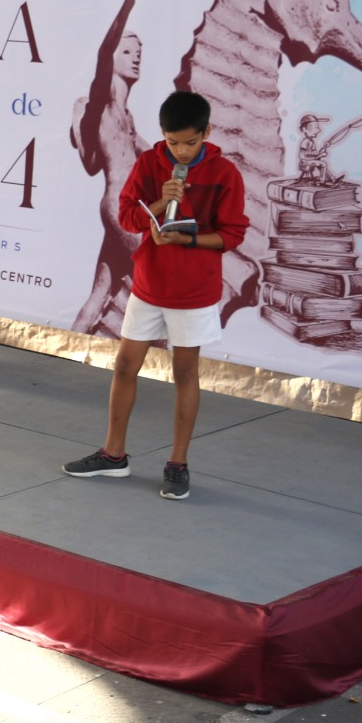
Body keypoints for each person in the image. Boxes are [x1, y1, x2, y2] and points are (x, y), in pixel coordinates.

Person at [62, 91, 249, 500]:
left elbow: (233, 234)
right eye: (172, 142)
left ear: (207, 133)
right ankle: (113, 456)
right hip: (148, 285)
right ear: (162, 135)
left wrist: (190, 238)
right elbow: (127, 215)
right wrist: (162, 200)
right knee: (125, 366)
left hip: (195, 291)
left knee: (185, 375)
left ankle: (177, 465)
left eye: (190, 142)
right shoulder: (149, 162)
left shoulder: (225, 173)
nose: (180, 151)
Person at [70, 0, 150, 338]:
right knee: (156, 272)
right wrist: (129, 3)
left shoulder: (129, 119)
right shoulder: (104, 105)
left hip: (126, 205)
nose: (136, 59)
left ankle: (68, 349)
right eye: (128, 52)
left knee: (101, 290)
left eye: (139, 53)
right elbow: (104, 52)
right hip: (119, 205)